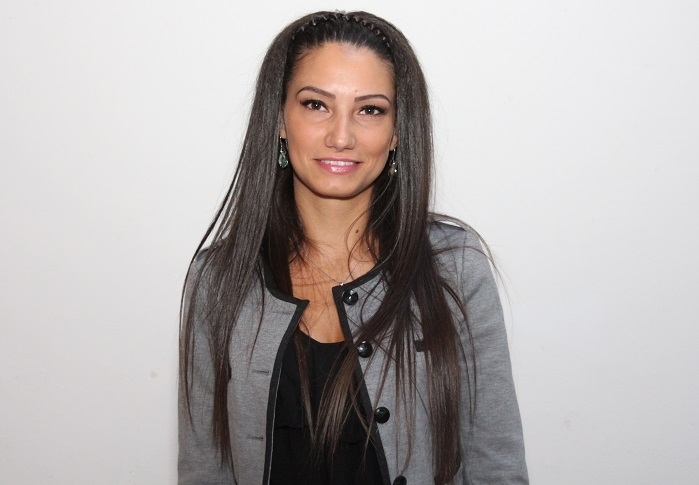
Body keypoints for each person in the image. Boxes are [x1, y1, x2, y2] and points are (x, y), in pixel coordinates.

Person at [178, 10, 528, 485]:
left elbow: (496, 466)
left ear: (398, 130)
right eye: (316, 104)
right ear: (279, 119)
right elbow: (204, 469)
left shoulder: (454, 267)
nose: (341, 136)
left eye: (370, 110)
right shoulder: (219, 279)